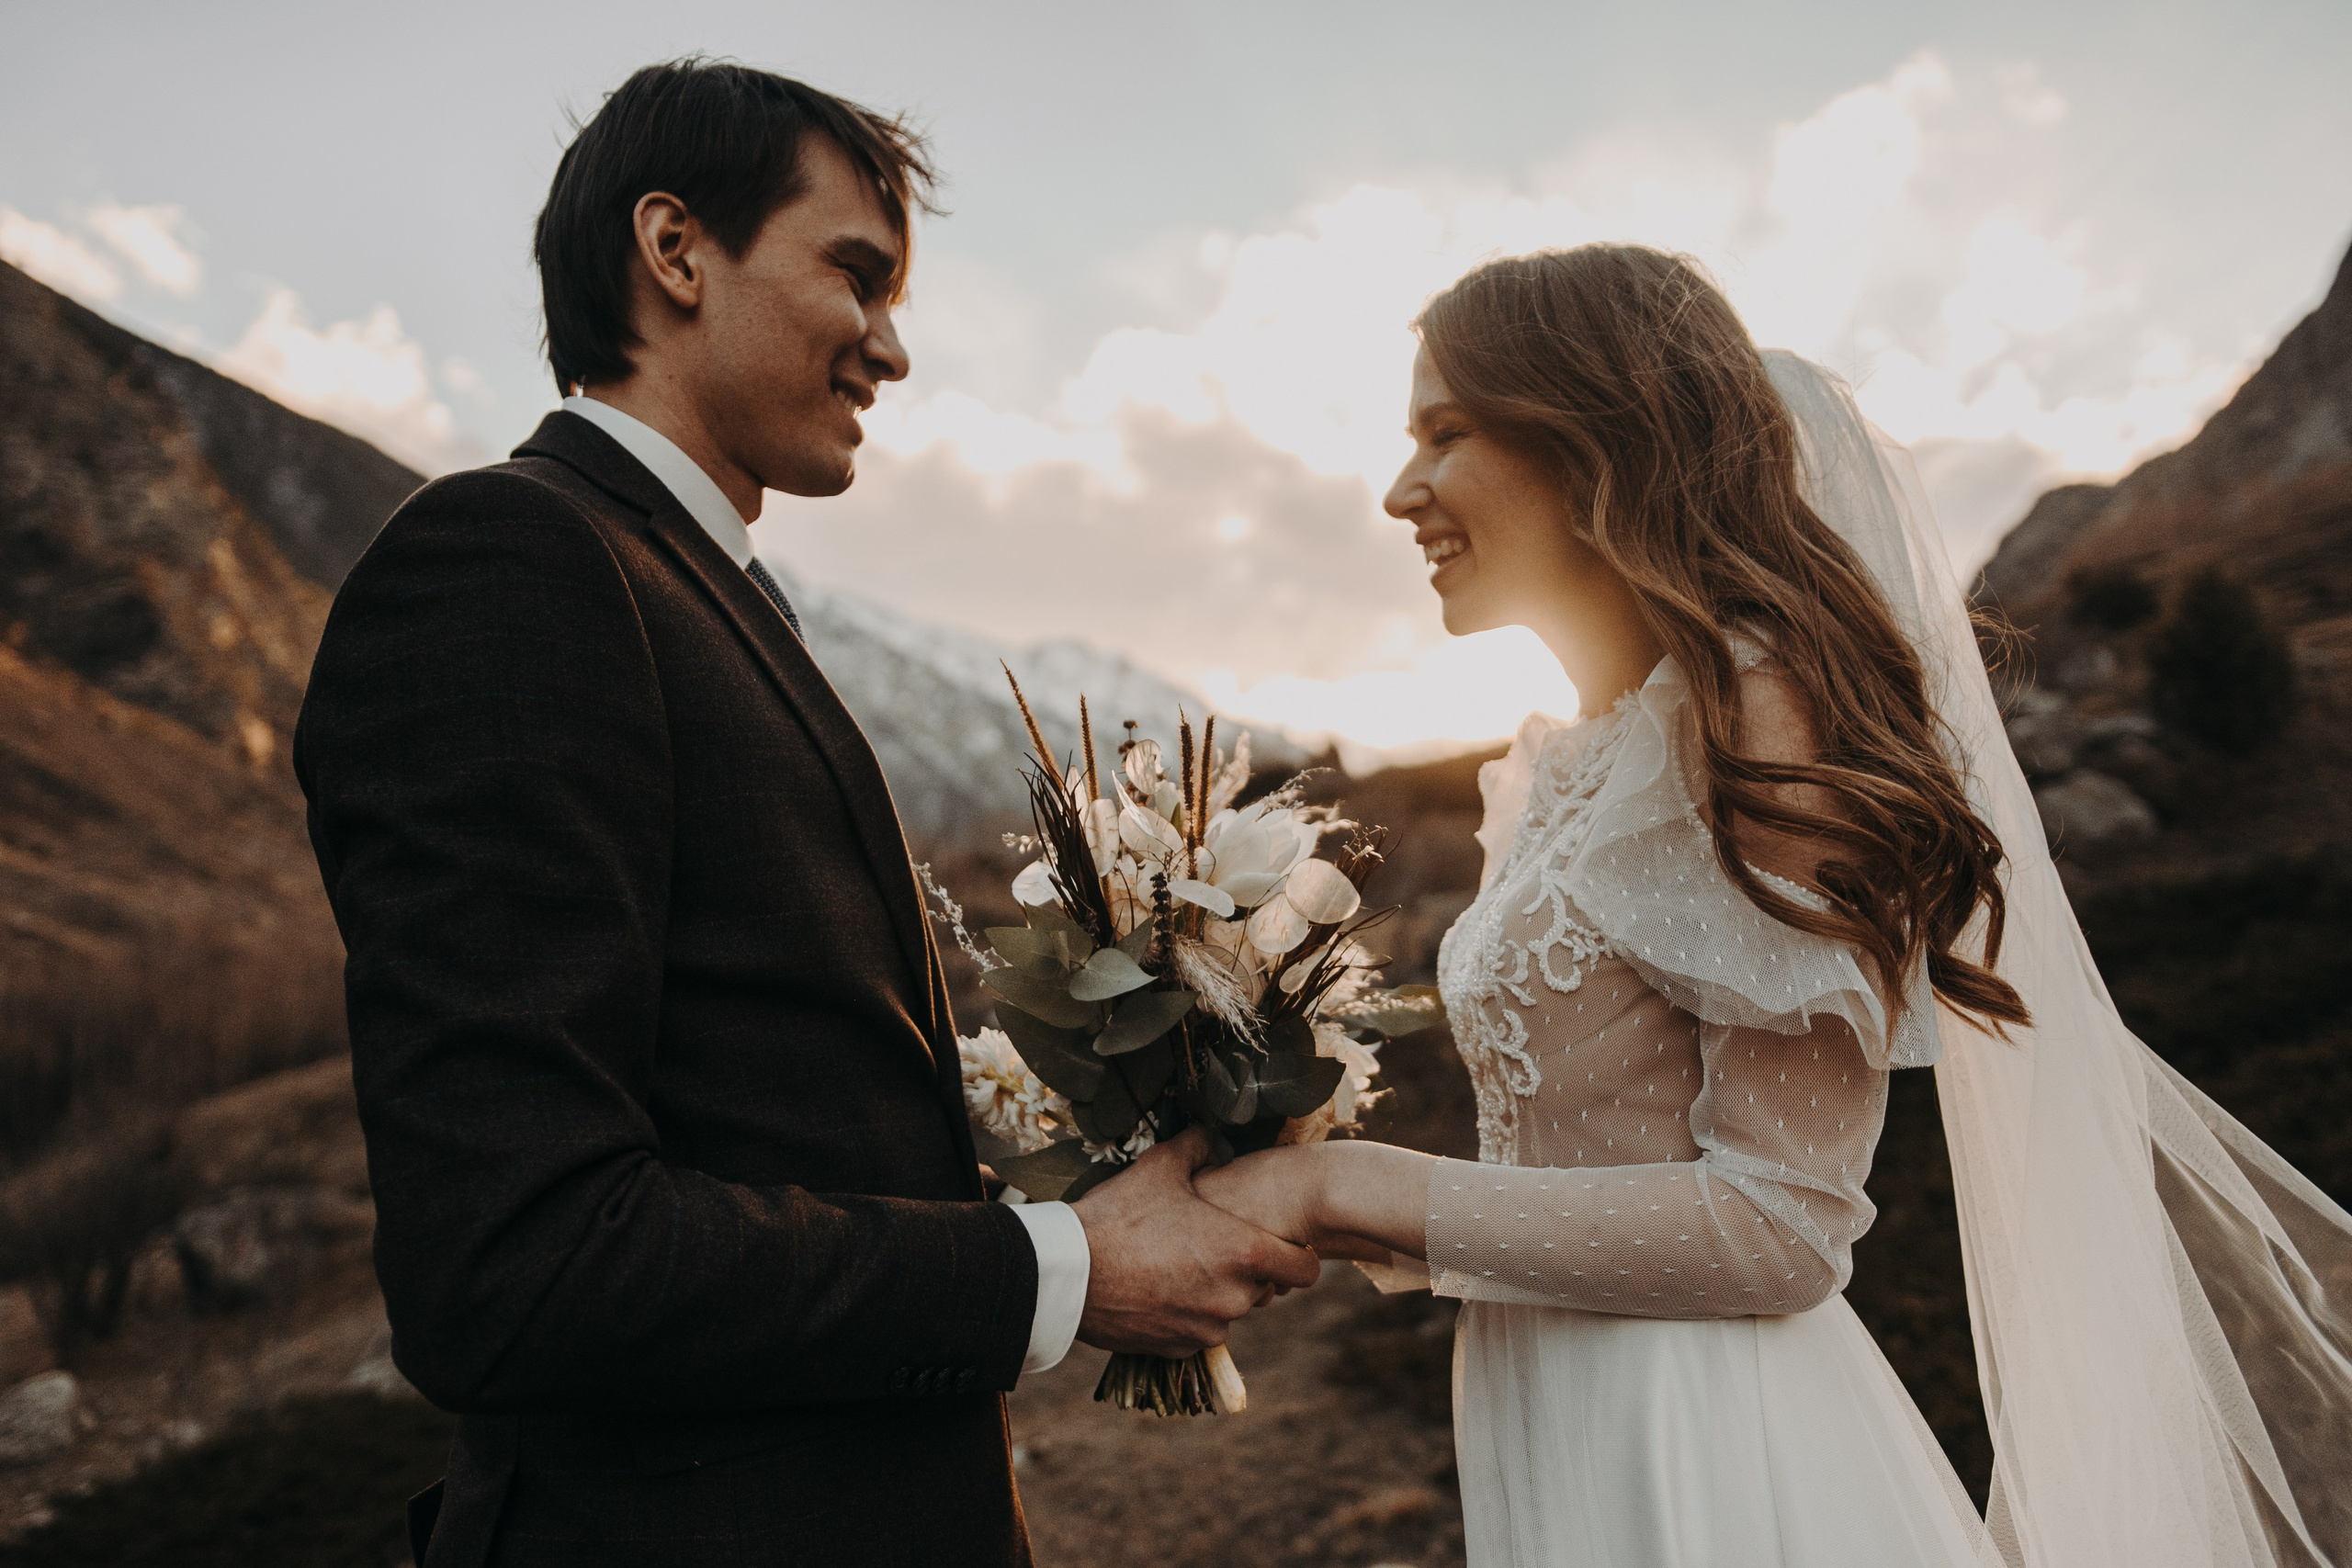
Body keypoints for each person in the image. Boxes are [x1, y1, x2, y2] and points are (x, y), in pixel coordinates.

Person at [294, 59, 1316, 1568]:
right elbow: (519, 1264)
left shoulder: (696, 592)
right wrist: (1056, 1271)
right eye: (858, 276)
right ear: (676, 250)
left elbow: (761, 1120)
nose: (891, 351)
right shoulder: (510, 567)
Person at [1197, 243, 2352, 1566]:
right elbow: (1577, 1155)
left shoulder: (1758, 722)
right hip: (1544, 1398)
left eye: (1445, 433)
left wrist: (1353, 1185)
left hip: (1709, 1444)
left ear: (1597, 439)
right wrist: (1307, 1191)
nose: (1402, 490)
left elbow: (1780, 1225)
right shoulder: (1565, 762)